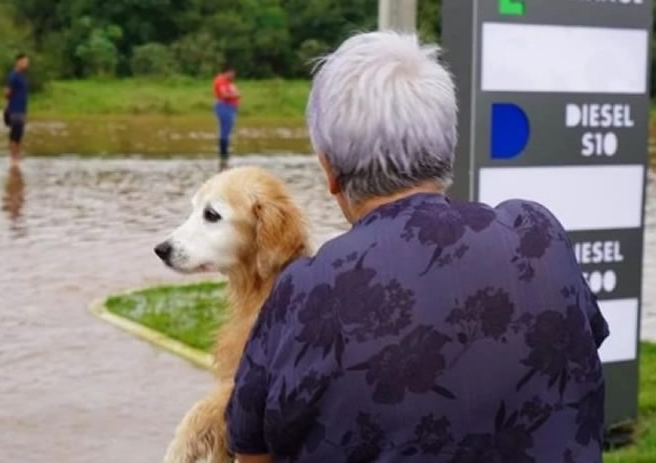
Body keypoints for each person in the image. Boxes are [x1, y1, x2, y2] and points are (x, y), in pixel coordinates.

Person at [225, 32, 610, 463]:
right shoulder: (537, 236)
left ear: (329, 170)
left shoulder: (305, 291)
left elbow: (252, 453)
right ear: (446, 147)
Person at [212, 64, 240, 170]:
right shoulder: (221, 81)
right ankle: (223, 155)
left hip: (230, 107)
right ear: (228, 72)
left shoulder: (228, 82)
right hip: (225, 107)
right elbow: (224, 95)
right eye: (232, 73)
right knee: (224, 132)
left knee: (227, 132)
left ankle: (225, 155)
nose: (233, 75)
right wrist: (236, 95)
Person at [4, 53, 30, 165]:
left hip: (22, 110)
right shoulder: (13, 76)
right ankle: (12, 158)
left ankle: (17, 156)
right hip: (14, 109)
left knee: (19, 134)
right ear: (18, 62)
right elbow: (7, 92)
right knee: (14, 134)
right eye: (24, 62)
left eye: (27, 62)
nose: (26, 64)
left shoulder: (23, 76)